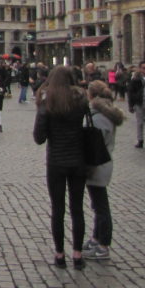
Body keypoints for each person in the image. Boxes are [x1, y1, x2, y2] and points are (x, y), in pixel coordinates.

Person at [33, 65, 90, 269]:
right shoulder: (81, 100)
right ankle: (77, 254)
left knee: (58, 209)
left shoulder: (48, 101)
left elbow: (39, 137)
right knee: (77, 209)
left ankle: (59, 254)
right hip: (78, 160)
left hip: (56, 161)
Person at [84, 81, 125, 261]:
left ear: (92, 95)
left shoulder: (100, 117)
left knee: (101, 206)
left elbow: (94, 143)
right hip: (99, 162)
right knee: (97, 203)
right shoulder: (102, 113)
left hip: (98, 163)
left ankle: (103, 245)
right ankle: (96, 237)